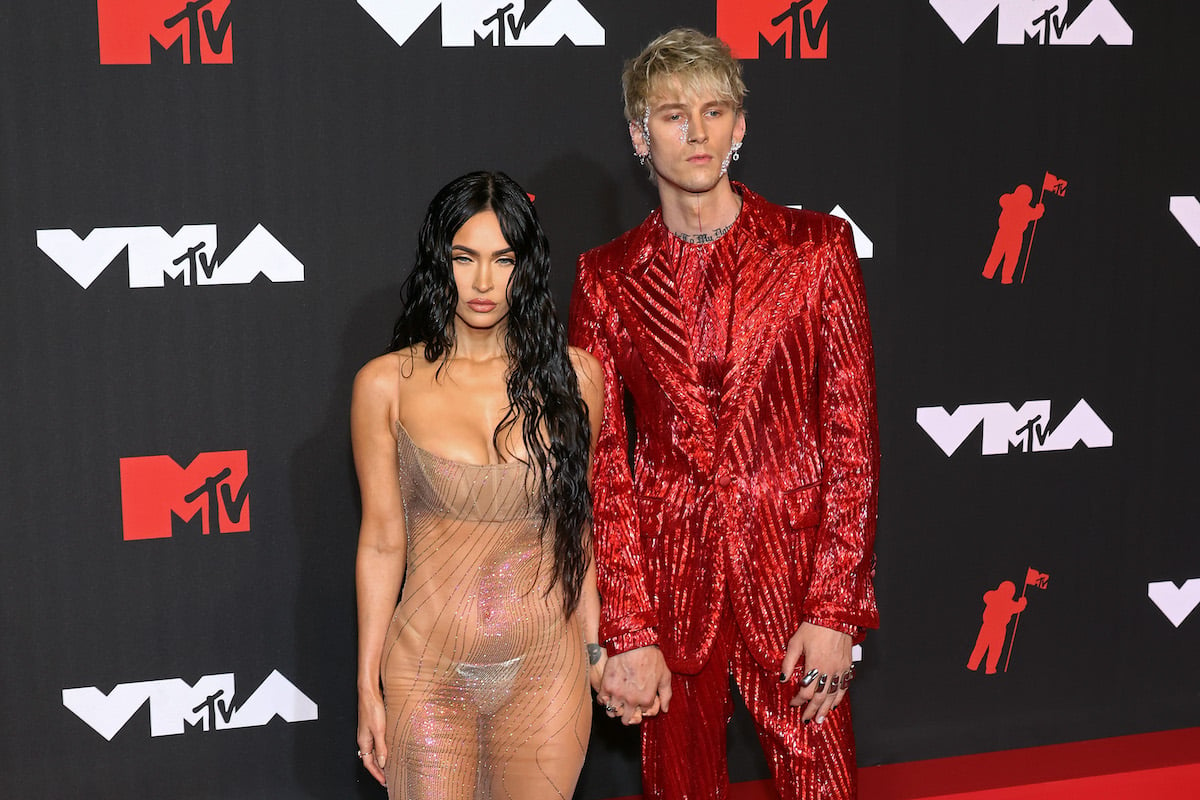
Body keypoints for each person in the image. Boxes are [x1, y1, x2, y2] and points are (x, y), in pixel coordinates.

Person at [568, 29, 879, 799]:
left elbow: (851, 437)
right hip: (671, 589)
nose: (697, 132)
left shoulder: (816, 250)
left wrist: (836, 608)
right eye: (673, 115)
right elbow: (603, 471)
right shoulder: (605, 279)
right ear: (640, 135)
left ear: (741, 127)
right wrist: (628, 631)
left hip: (796, 580)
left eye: (715, 111)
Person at [353, 171, 606, 799]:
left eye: (504, 260)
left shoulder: (578, 378)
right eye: (465, 258)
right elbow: (382, 542)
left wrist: (599, 653)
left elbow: (580, 532)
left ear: (527, 267)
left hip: (548, 670)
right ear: (441, 261)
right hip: (426, 671)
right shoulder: (386, 385)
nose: (485, 283)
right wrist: (367, 685)